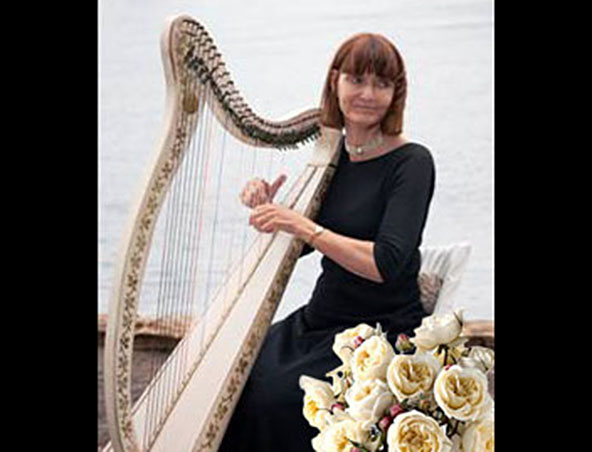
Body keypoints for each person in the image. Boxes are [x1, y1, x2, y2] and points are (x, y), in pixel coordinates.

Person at [220, 32, 435, 451]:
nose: (368, 94)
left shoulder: (412, 162)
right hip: (321, 318)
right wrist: (271, 208)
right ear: (335, 82)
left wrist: (304, 227)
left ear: (396, 93)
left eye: (382, 83)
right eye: (357, 80)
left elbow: (384, 263)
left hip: (380, 330)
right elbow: (299, 246)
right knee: (235, 376)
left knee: (276, 399)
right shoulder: (333, 156)